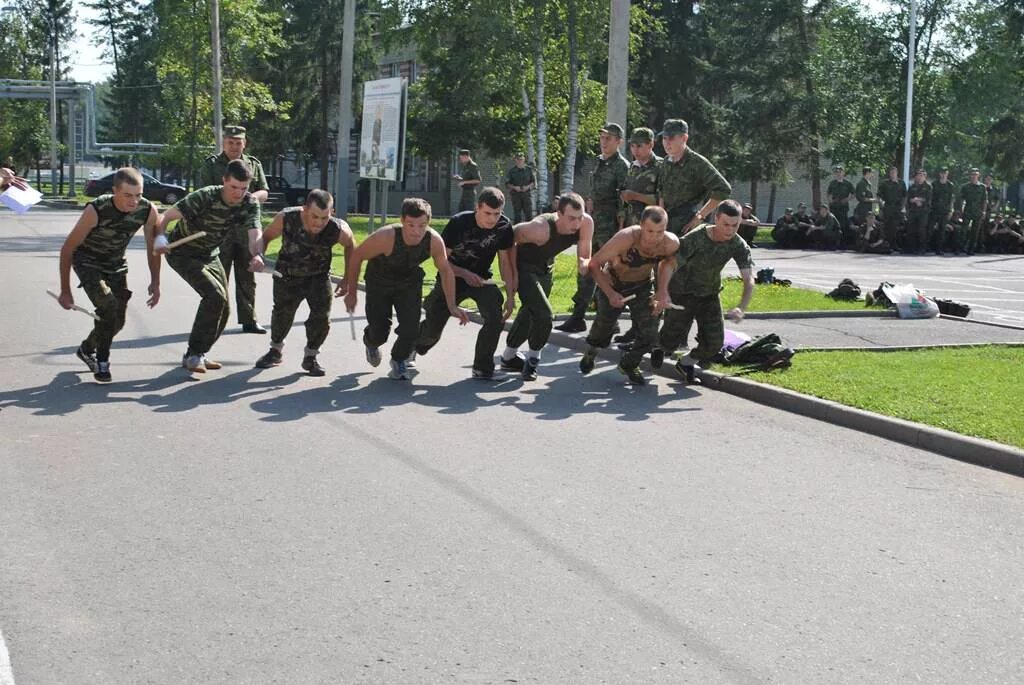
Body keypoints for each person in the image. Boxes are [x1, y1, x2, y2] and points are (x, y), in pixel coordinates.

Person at [154, 159, 262, 373]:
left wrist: (257, 254)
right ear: (224, 181)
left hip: (210, 254)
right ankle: (194, 354)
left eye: (243, 188)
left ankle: (198, 353)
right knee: (215, 297)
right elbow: (166, 216)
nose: (238, 193)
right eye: (233, 187)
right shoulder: (206, 196)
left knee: (225, 308)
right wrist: (160, 238)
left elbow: (254, 232)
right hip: (182, 252)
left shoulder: (249, 203)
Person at [343, 198, 469, 381]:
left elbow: (446, 271)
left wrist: (452, 305)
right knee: (380, 331)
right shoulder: (386, 237)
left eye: (422, 225)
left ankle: (399, 359)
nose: (416, 231)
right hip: (379, 281)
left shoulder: (434, 240)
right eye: (411, 225)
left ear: (428, 223)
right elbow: (356, 257)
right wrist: (352, 293)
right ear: (402, 221)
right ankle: (371, 343)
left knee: (411, 329)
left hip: (409, 283)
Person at [57, 167, 161, 382]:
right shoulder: (96, 210)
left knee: (117, 322)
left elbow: (153, 248)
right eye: (127, 195)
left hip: (116, 265)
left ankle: (87, 349)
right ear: (115, 191)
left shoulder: (147, 210)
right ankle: (102, 362)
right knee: (108, 305)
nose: (134, 201)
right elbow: (67, 249)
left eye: (138, 195)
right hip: (88, 262)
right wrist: (65, 291)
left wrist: (156, 281)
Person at [413, 187, 517, 380]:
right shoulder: (459, 222)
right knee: (432, 331)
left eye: (497, 213)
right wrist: (464, 273)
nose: (492, 219)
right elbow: (441, 261)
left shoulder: (504, 227)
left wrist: (510, 297)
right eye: (488, 213)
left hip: (481, 279)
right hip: (452, 276)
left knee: (495, 317)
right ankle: (413, 345)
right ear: (477, 208)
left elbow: (505, 263)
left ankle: (482, 368)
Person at [249, 190, 355, 376]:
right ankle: (275, 351)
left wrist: (347, 279)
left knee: (321, 317)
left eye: (325, 217)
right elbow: (265, 237)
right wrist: (259, 256)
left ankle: (311, 357)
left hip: (318, 277)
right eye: (315, 216)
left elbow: (351, 246)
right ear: (305, 209)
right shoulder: (286, 217)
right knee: (282, 313)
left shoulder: (337, 228)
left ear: (332, 212)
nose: (319, 223)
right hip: (287, 276)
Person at [578, 206, 679, 385]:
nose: (654, 237)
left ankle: (629, 364)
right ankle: (591, 351)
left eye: (660, 231)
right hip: (614, 282)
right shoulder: (626, 238)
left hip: (642, 286)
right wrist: (610, 294)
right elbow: (594, 264)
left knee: (650, 332)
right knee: (604, 327)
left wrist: (662, 291)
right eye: (649, 231)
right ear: (640, 226)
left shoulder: (670, 243)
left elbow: (668, 263)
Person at [658, 199, 755, 383]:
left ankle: (686, 363)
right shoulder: (697, 238)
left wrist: (741, 307)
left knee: (714, 343)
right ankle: (656, 347)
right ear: (716, 218)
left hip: (709, 294)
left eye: (735, 225)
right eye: (726, 224)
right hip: (682, 292)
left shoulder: (738, 244)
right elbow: (669, 264)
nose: (730, 230)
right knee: (670, 340)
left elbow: (748, 279)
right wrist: (663, 292)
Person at [499, 193, 594, 380]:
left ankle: (508, 357)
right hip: (524, 267)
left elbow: (584, 253)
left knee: (530, 312)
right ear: (559, 213)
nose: (576, 223)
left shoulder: (586, 223)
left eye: (580, 217)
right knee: (544, 314)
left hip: (545, 268)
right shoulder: (540, 228)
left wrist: (585, 265)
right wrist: (513, 277)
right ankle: (533, 359)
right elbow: (508, 239)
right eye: (571, 218)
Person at [557, 122, 628, 333]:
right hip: (592, 223)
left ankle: (610, 322)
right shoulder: (598, 162)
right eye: (602, 137)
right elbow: (592, 193)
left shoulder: (621, 166)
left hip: (610, 227)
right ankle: (578, 316)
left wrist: (620, 232)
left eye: (609, 138)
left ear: (618, 142)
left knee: (607, 273)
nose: (603, 142)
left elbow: (623, 201)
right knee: (586, 268)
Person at [199, 125, 271, 334]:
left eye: (238, 142)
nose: (234, 146)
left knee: (247, 277)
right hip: (219, 231)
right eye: (230, 142)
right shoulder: (211, 165)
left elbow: (264, 191)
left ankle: (249, 320)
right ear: (224, 142)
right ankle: (217, 319)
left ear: (244, 143)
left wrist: (249, 198)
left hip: (246, 230)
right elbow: (204, 193)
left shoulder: (253, 165)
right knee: (218, 278)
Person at [655, 118, 731, 236]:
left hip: (685, 225)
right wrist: (661, 215)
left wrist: (699, 217)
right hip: (665, 224)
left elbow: (723, 189)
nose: (666, 143)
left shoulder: (697, 163)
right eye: (664, 138)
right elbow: (661, 189)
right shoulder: (666, 161)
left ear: (684, 138)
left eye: (671, 138)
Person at [620, 127, 662, 228]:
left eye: (639, 146)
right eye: (632, 146)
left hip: (651, 226)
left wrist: (635, 196)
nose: (635, 150)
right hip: (630, 225)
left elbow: (662, 200)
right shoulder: (633, 166)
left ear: (651, 145)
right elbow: (625, 198)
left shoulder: (661, 167)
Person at [957, 168, 987, 255]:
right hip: (967, 210)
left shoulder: (982, 187)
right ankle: (960, 248)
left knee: (975, 232)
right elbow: (961, 199)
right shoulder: (965, 186)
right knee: (963, 230)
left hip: (978, 211)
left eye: (975, 174)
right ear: (970, 176)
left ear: (978, 176)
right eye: (972, 174)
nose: (974, 176)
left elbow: (984, 200)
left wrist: (984, 211)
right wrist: (960, 210)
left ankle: (971, 249)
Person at [905, 169, 932, 254]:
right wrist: (913, 200)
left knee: (921, 230)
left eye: (922, 175)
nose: (920, 177)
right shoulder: (912, 186)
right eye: (918, 175)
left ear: (925, 176)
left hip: (923, 212)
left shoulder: (928, 186)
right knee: (911, 230)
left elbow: (929, 199)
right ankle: (911, 248)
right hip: (913, 211)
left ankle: (922, 248)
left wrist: (920, 200)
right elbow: (908, 198)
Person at [928, 167, 955, 254]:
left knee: (942, 231)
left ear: (947, 174)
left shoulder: (950, 185)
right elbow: (930, 197)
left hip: (944, 211)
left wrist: (951, 210)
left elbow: (951, 199)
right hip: (934, 210)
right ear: (940, 174)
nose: (944, 175)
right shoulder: (934, 184)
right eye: (942, 173)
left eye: (945, 173)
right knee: (930, 229)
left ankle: (939, 249)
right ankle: (926, 246)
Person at [877, 165, 906, 247]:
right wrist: (880, 208)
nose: (893, 174)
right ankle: (887, 244)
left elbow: (905, 196)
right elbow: (879, 196)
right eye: (891, 172)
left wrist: (903, 207)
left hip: (897, 208)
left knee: (895, 227)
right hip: (887, 207)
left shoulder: (901, 183)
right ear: (889, 174)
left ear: (897, 173)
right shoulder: (885, 183)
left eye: (894, 172)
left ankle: (894, 244)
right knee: (886, 226)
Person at [504, 153, 536, 224]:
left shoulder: (529, 170)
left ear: (524, 160)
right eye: (518, 159)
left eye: (521, 159)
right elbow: (507, 184)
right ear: (515, 160)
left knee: (529, 215)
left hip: (526, 195)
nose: (520, 161)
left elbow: (533, 182)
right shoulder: (511, 171)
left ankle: (530, 232)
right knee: (517, 215)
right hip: (516, 195)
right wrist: (515, 187)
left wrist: (527, 187)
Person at [826, 165, 855, 235]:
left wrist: (847, 199)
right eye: (837, 172)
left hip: (843, 207)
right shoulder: (832, 183)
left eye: (840, 172)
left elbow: (854, 194)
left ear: (843, 173)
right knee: (834, 224)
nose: (838, 173)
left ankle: (843, 242)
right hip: (834, 207)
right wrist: (830, 200)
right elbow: (828, 193)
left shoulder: (847, 183)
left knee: (843, 225)